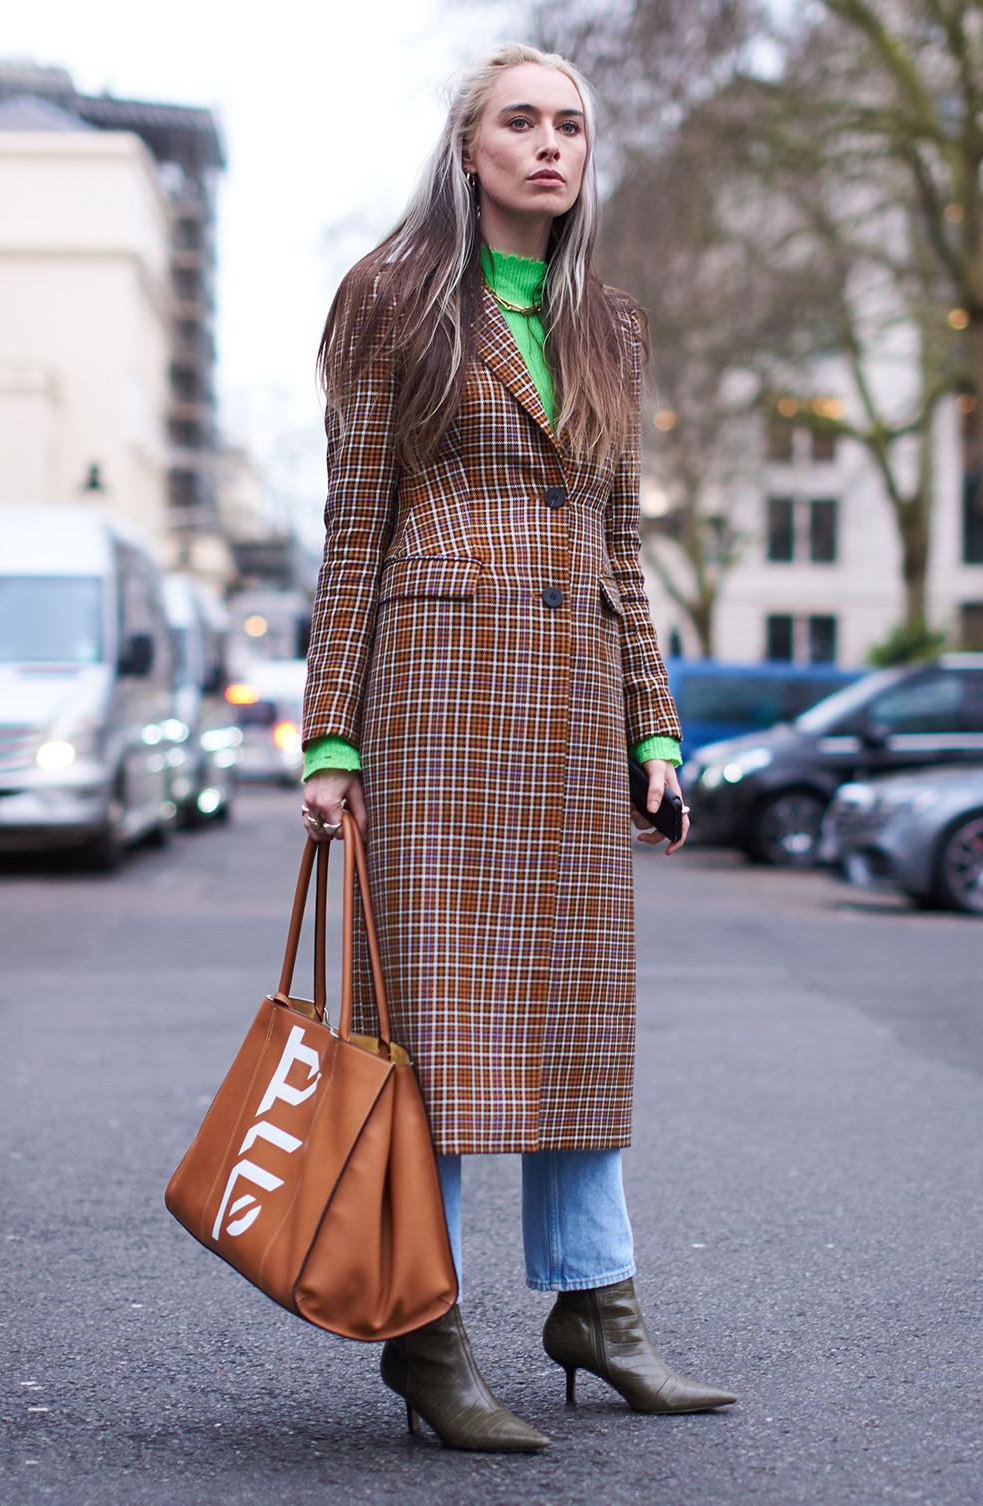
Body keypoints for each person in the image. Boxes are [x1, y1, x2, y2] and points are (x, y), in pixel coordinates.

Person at [299, 40, 735, 1452]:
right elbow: (354, 527)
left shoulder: (609, 321)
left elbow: (619, 540)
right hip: (434, 705)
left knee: (575, 1023)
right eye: (521, 123)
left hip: (565, 707)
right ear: (469, 145)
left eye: (572, 125)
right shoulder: (391, 300)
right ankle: (428, 1333)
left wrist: (655, 722)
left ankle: (594, 1308)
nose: (551, 145)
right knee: (432, 1030)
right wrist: (329, 739)